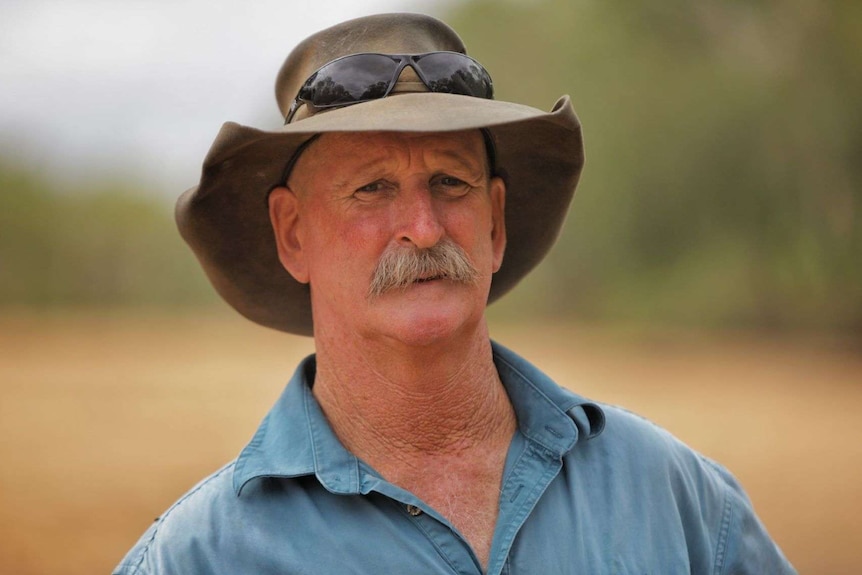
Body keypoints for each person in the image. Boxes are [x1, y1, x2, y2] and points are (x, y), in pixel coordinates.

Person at [114, 13, 796, 575]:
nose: (422, 227)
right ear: (293, 235)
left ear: (495, 222)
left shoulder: (675, 500)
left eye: (451, 182)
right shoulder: (200, 557)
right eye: (373, 188)